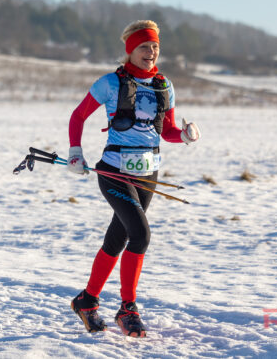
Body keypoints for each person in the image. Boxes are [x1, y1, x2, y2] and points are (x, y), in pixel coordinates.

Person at [67, 20, 200, 336]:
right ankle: (128, 308)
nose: (151, 52)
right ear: (130, 50)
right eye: (144, 47)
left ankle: (87, 300)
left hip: (148, 174)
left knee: (117, 239)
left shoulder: (164, 86)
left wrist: (184, 135)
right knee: (140, 235)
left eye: (155, 46)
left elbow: (166, 131)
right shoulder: (110, 83)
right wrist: (75, 151)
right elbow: (78, 115)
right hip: (114, 171)